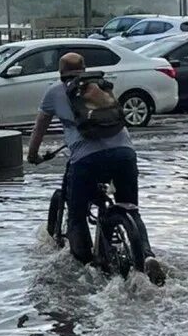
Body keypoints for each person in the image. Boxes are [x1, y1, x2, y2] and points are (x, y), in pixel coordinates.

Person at [27, 52, 165, 286]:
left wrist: (33, 156)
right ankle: (147, 255)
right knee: (130, 207)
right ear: (84, 68)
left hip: (86, 160)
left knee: (78, 217)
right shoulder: (101, 86)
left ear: (60, 73)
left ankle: (87, 266)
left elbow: (39, 128)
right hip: (125, 154)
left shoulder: (54, 91)